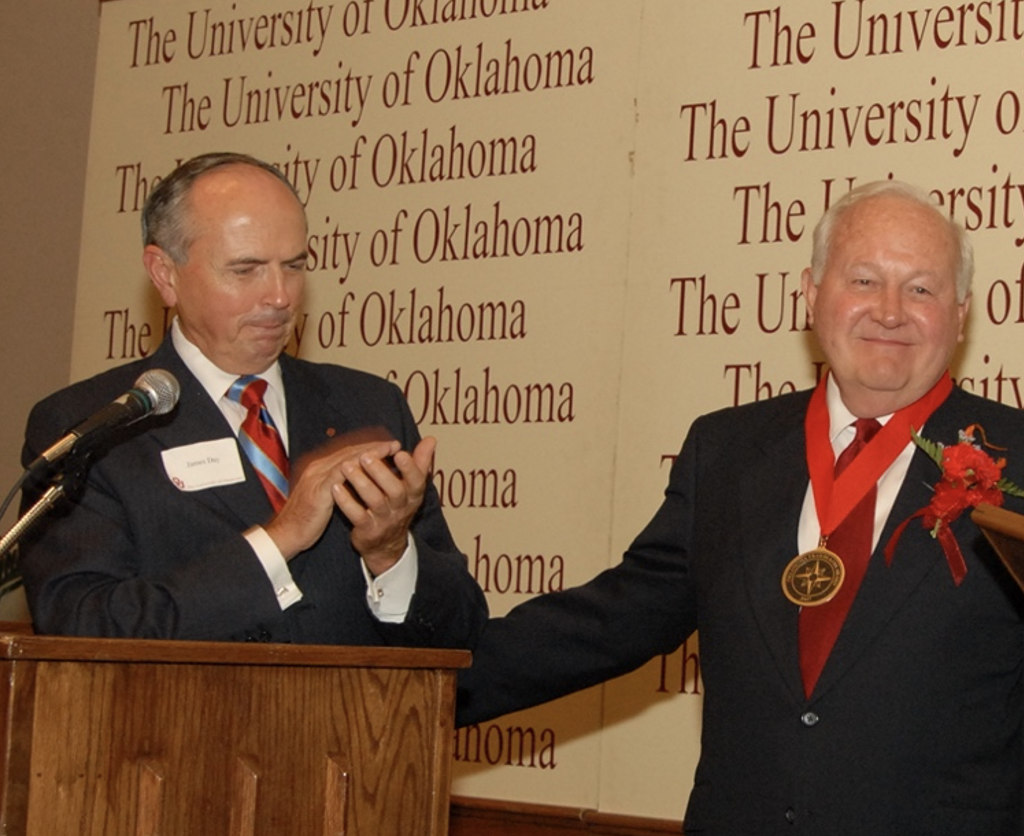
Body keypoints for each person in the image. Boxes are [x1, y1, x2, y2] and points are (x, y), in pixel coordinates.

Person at [456, 180, 1024, 835]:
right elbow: (613, 621)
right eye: (863, 280)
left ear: (961, 314)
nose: (889, 311)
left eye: (921, 288)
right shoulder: (727, 451)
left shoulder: (1019, 460)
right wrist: (420, 686)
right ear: (812, 296)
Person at [19, 151, 487, 648]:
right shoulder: (92, 428)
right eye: (246, 271)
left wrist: (391, 554)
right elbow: (85, 625)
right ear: (164, 274)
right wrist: (278, 538)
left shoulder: (369, 407)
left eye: (294, 266)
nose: (281, 296)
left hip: (359, 724)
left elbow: (464, 636)